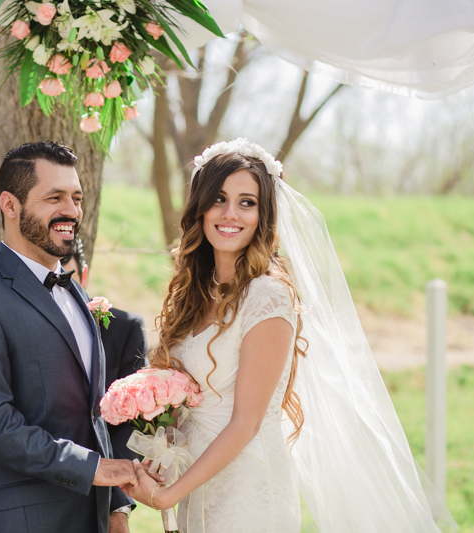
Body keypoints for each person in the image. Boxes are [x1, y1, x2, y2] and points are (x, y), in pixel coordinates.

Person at [121, 139, 456, 532]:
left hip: (248, 489)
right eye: (219, 199)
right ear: (200, 207)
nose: (231, 214)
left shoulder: (268, 297)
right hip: (198, 482)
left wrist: (168, 495)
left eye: (247, 202)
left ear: (264, 215)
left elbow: (246, 423)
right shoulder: (194, 294)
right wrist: (161, 450)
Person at [0, 140, 136, 533]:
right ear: (10, 205)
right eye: (54, 197)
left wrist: (115, 506)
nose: (71, 211)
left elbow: (91, 412)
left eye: (76, 198)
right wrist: (93, 469)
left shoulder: (75, 292)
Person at [61, 239, 147, 460]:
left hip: (107, 474)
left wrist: (106, 472)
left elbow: (138, 417)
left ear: (84, 275)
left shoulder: (125, 329)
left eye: (65, 279)